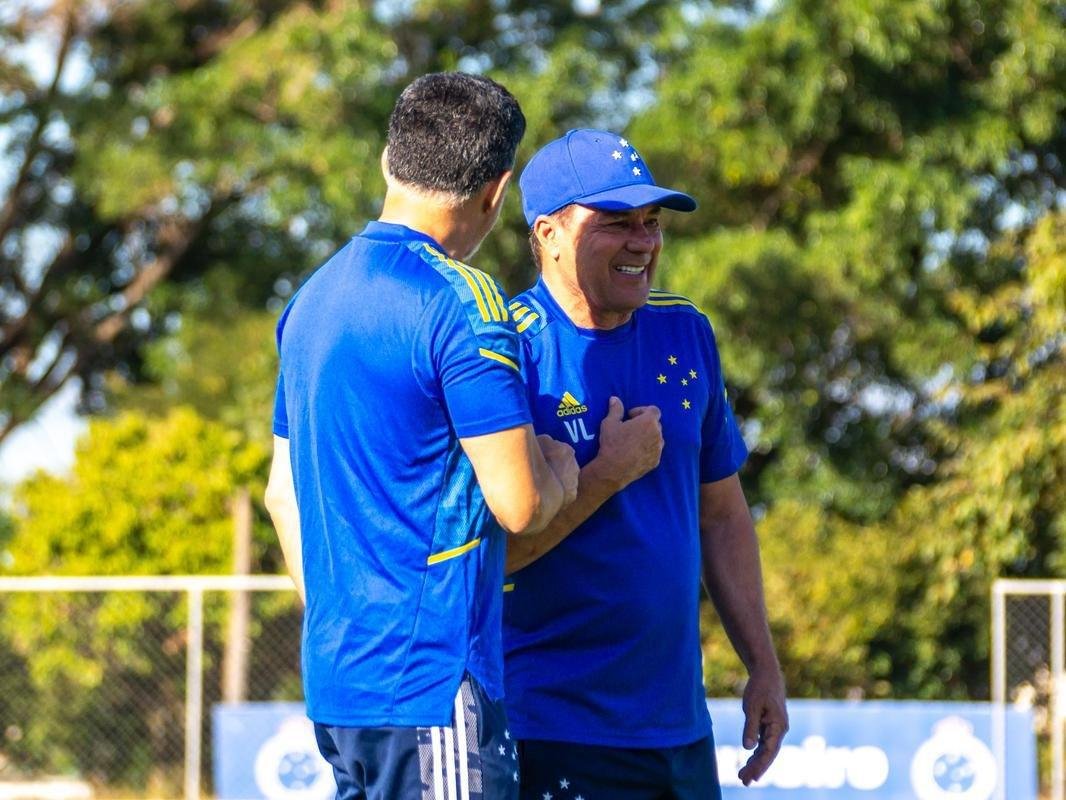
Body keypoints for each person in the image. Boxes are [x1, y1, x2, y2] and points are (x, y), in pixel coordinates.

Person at [264, 73, 579, 800]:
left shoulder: (310, 301)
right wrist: (561, 465)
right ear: (496, 193)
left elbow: (284, 497)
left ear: (387, 161)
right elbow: (521, 505)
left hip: (341, 687)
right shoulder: (463, 301)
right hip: (432, 686)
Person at [501, 128, 788, 799]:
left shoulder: (686, 332)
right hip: (552, 729)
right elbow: (496, 552)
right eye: (616, 225)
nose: (644, 242)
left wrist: (763, 664)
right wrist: (606, 473)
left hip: (678, 733)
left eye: (652, 223)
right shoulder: (505, 349)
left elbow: (722, 515)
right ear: (548, 235)